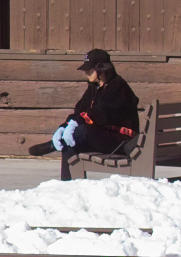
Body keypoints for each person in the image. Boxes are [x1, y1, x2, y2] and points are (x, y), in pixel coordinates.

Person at [51, 48, 140, 180]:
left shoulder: (117, 86)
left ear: (102, 68)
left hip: (122, 141)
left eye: (90, 68)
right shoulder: (94, 86)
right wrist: (65, 126)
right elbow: (80, 110)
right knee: (70, 138)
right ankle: (68, 184)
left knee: (81, 132)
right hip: (104, 137)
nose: (86, 71)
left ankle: (69, 182)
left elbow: (104, 113)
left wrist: (76, 123)